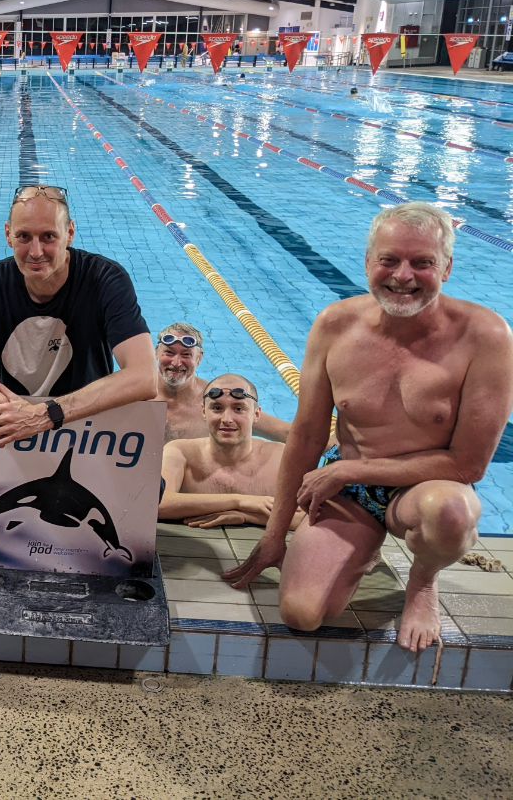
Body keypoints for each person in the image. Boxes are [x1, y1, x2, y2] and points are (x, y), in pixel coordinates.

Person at [226, 203, 513, 652]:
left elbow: (468, 465)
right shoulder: (335, 325)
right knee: (301, 615)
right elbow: (305, 436)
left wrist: (348, 471)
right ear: (367, 262)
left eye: (423, 262)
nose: (403, 276)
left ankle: (422, 582)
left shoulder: (486, 337)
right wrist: (274, 535)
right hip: (352, 496)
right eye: (389, 260)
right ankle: (362, 545)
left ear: (447, 267)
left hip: (426, 488)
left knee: (452, 515)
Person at [0, 185, 157, 475]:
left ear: (69, 233)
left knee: (150, 485)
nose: (36, 251)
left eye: (48, 237)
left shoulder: (104, 279)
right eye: (24, 237)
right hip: (14, 416)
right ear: (7, 234)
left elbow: (145, 378)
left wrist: (45, 414)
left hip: (87, 410)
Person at [160, 374, 303, 530]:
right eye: (217, 408)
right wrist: (239, 501)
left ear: (256, 414)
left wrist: (245, 516)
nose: (227, 419)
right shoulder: (179, 452)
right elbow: (155, 504)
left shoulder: (279, 457)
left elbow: (311, 517)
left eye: (238, 409)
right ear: (203, 412)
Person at [153, 323, 292, 443]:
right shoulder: (138, 392)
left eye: (186, 355)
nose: (176, 363)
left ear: (199, 358)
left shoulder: (217, 400)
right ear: (157, 353)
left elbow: (286, 432)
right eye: (169, 353)